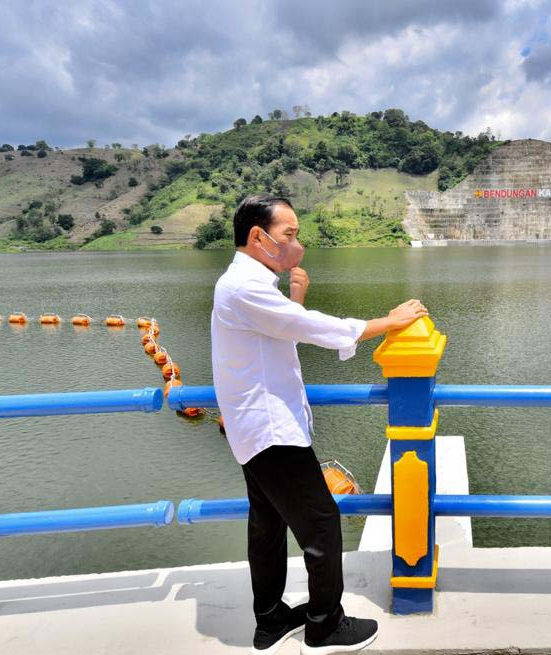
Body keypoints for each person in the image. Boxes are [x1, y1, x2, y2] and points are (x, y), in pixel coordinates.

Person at [211, 194, 428, 655]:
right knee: (323, 521)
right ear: (258, 237)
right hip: (270, 430)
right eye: (289, 235)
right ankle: (325, 625)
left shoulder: (246, 283)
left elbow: (281, 329)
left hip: (254, 427)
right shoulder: (244, 287)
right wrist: (390, 321)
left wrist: (294, 298)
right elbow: (313, 329)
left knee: (267, 524)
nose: (298, 245)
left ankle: (269, 619)